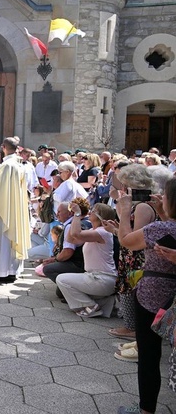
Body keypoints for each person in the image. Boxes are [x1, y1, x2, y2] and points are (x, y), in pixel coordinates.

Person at [115, 178, 176, 414]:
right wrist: (162, 213)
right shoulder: (163, 226)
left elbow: (127, 241)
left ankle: (146, 409)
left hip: (153, 297)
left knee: (149, 356)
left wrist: (123, 213)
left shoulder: (159, 230)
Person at [106, 163, 158, 341]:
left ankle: (133, 329)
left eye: (124, 184)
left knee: (131, 288)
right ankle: (131, 326)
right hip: (129, 253)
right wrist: (115, 229)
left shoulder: (143, 206)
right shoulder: (138, 204)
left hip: (136, 257)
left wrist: (122, 207)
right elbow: (126, 229)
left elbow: (135, 237)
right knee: (126, 288)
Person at [56, 202, 118, 317]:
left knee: (61, 279)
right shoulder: (95, 231)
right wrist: (74, 218)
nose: (90, 211)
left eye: (94, 210)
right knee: (66, 283)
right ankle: (104, 303)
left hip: (102, 279)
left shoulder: (102, 232)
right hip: (100, 278)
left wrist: (77, 214)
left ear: (101, 216)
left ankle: (90, 307)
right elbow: (72, 239)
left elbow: (76, 234)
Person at [0, 137, 31, 282]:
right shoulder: (19, 164)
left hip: (5, 208)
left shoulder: (7, 166)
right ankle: (13, 270)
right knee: (12, 237)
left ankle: (3, 271)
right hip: (16, 207)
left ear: (3, 147)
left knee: (3, 238)